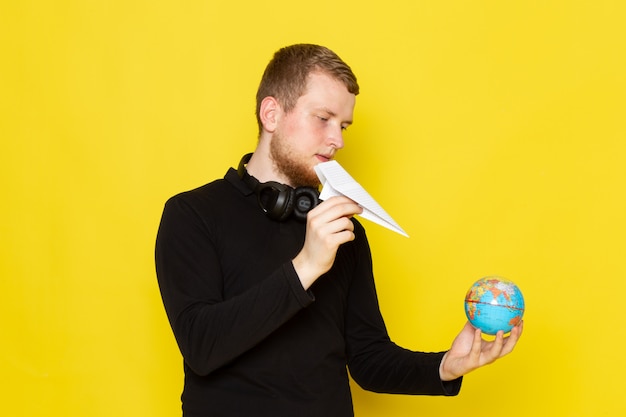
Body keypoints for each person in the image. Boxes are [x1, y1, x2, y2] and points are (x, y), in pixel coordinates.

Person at [155, 43, 523, 417]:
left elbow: (367, 358)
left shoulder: (343, 230)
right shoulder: (192, 214)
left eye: (343, 125)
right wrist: (307, 266)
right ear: (271, 114)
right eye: (323, 118)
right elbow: (202, 346)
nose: (339, 141)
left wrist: (445, 366)